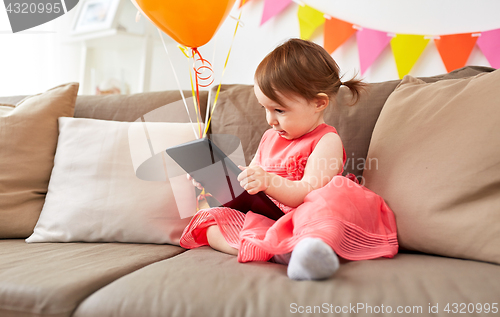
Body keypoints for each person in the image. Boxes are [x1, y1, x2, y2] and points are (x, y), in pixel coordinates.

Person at [180, 38, 398, 281]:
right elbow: (250, 180)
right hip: (269, 218)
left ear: (318, 102)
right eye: (265, 108)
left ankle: (303, 251)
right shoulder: (269, 137)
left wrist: (267, 182)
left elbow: (307, 192)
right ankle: (279, 252)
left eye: (279, 110)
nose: (270, 120)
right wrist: (217, 180)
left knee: (328, 207)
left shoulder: (326, 141)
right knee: (210, 225)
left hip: (304, 218)